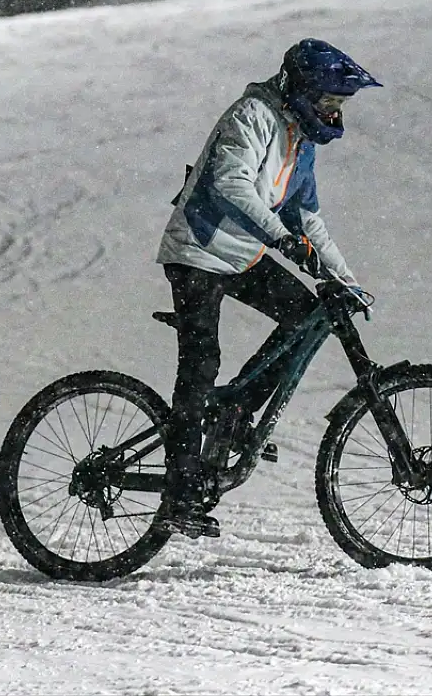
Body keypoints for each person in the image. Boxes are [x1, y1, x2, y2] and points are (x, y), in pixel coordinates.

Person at [155, 38, 382, 539]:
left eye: (339, 105)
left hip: (241, 254)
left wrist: (346, 280)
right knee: (201, 360)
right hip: (197, 249)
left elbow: (308, 217)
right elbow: (229, 184)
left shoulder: (298, 140)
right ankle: (180, 489)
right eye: (329, 101)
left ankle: (234, 412)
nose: (334, 112)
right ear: (301, 91)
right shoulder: (253, 115)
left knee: (306, 318)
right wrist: (281, 239)